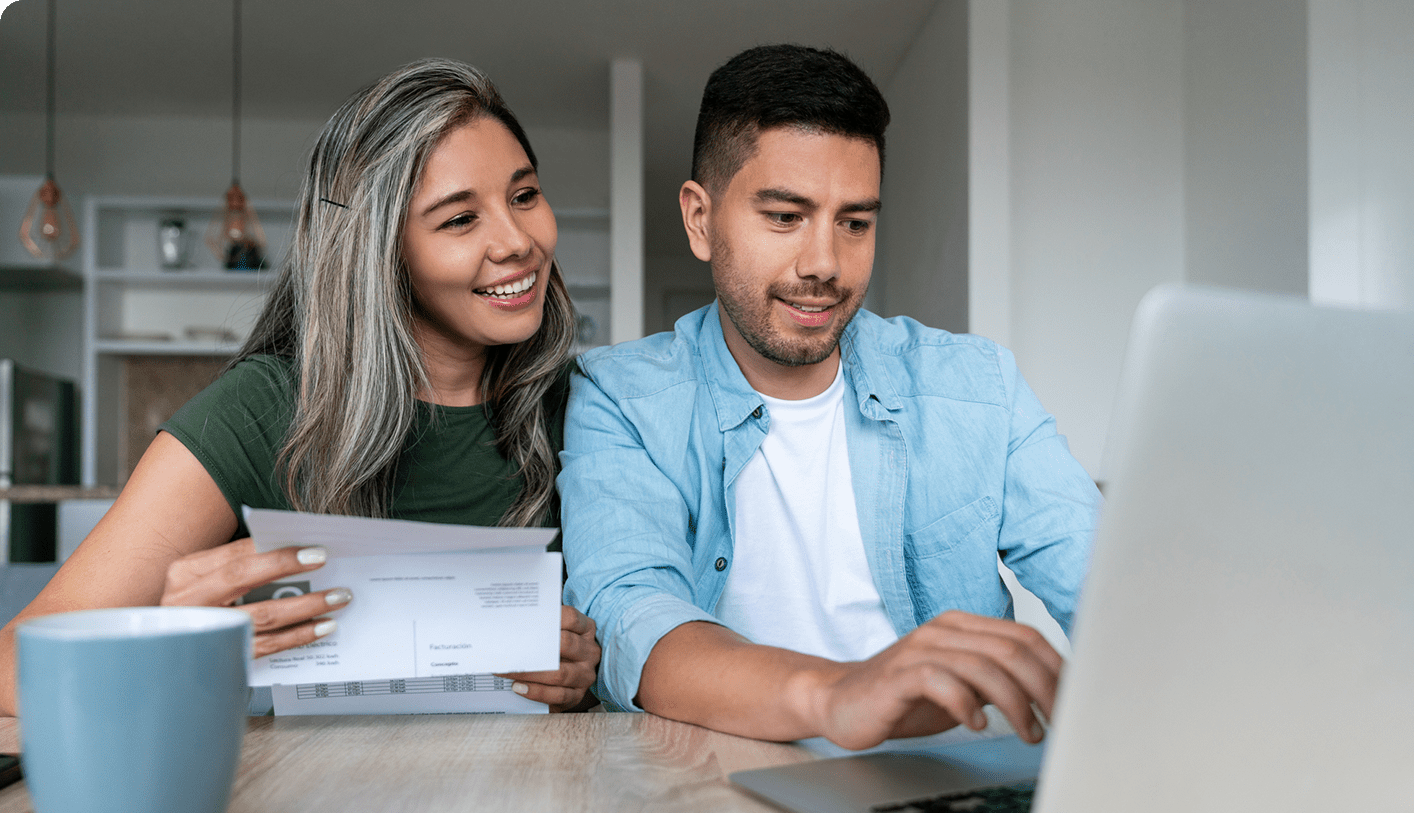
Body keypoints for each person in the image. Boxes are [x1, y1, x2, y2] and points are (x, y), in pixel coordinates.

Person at [0, 59, 600, 717]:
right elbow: (10, 672)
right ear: (376, 255)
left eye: (524, 195)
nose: (518, 242)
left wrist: (589, 671)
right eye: (459, 220)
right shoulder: (258, 413)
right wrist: (170, 648)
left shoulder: (592, 409)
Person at [558, 45, 1100, 749]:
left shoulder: (976, 387)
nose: (824, 265)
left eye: (855, 222)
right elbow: (633, 618)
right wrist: (838, 693)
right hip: (730, 780)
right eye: (785, 217)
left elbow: (1110, 587)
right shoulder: (621, 397)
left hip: (955, 777)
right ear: (700, 219)